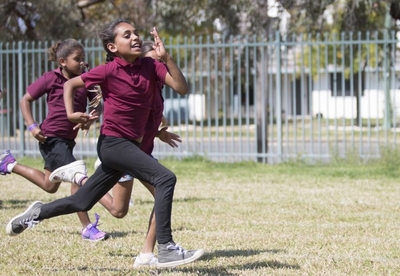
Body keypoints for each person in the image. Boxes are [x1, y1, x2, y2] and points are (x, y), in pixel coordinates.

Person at [6, 19, 204, 268]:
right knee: (165, 179)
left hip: (131, 148)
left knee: (82, 202)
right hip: (114, 145)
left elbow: (182, 88)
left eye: (136, 33)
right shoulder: (108, 71)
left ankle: (36, 214)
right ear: (112, 47)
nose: (135, 38)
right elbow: (70, 84)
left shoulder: (151, 66)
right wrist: (70, 114)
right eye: (126, 35)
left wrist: (168, 58)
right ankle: (165, 248)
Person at [0, 39, 109, 242]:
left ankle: (9, 163)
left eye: (83, 58)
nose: (82, 62)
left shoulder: (86, 80)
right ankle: (86, 227)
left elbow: (98, 105)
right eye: (77, 59)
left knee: (49, 185)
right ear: (62, 61)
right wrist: (32, 126)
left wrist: (91, 117)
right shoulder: (51, 78)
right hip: (51, 138)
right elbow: (25, 100)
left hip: (67, 140)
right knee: (76, 174)